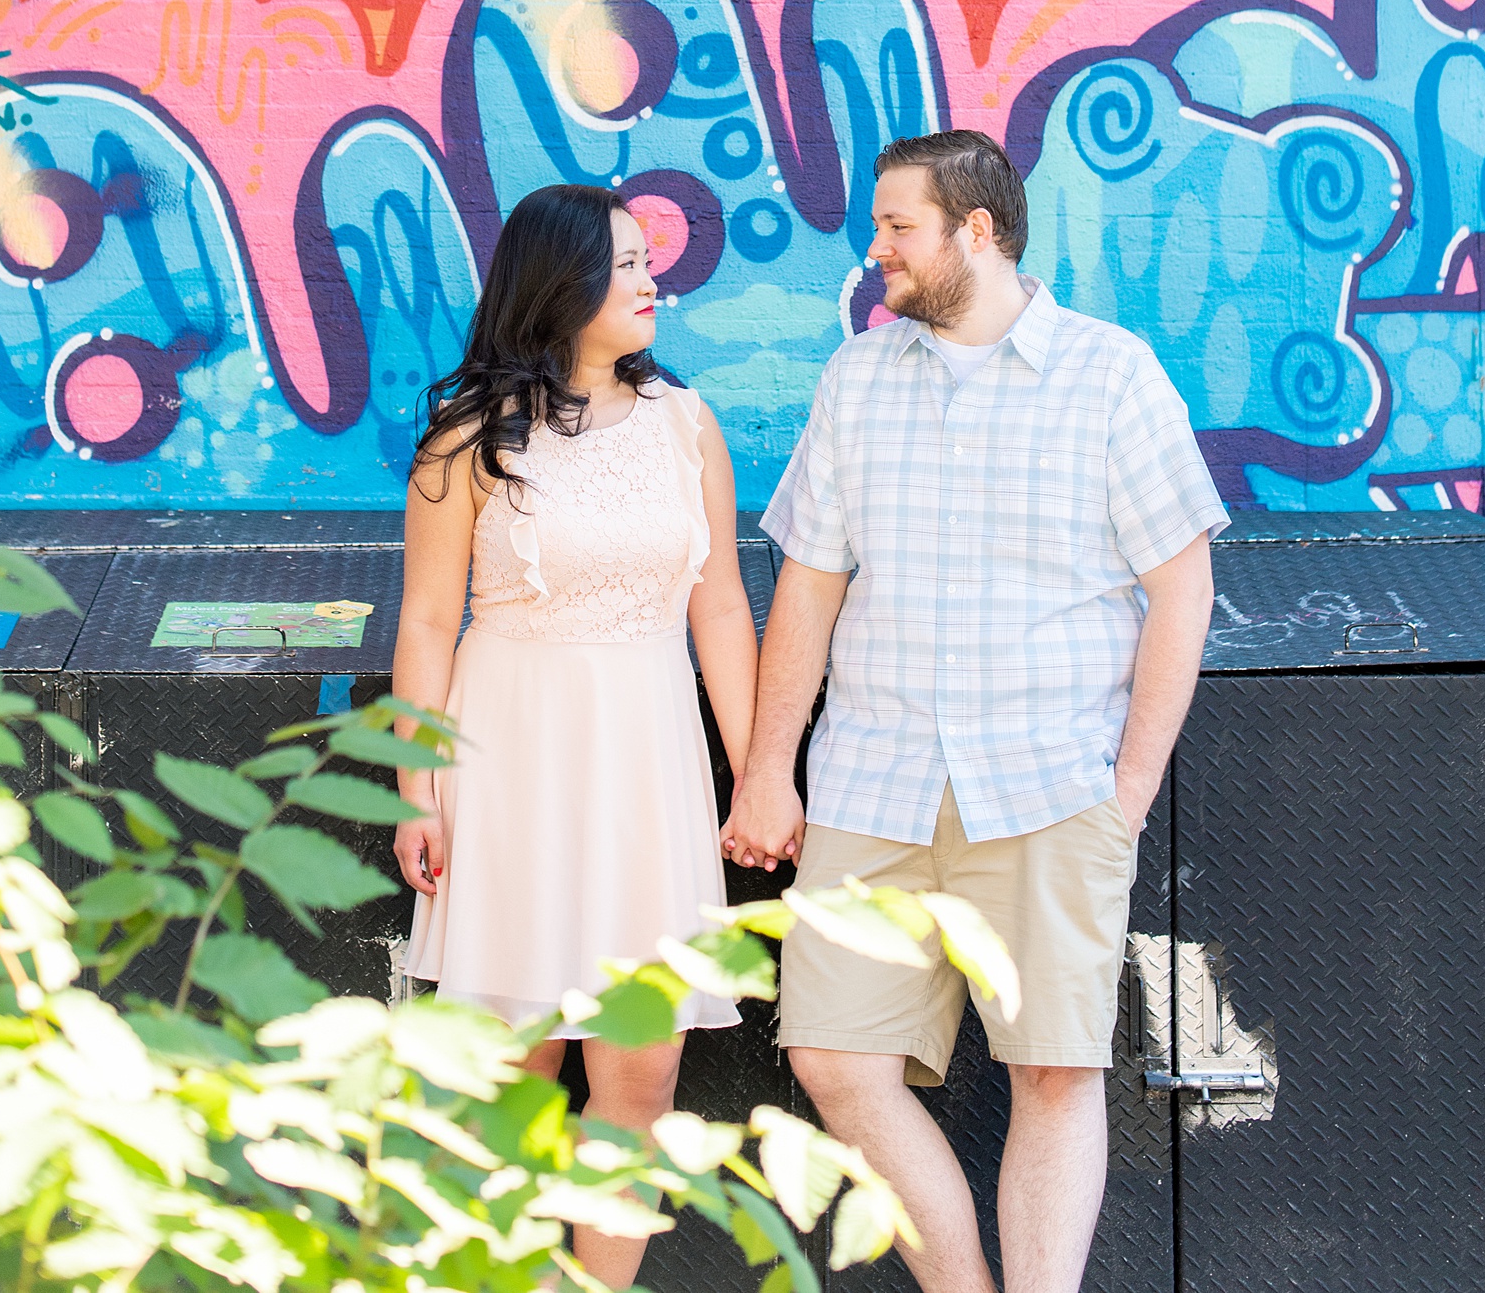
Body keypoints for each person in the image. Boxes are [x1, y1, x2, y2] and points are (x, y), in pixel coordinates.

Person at [722, 129, 1227, 1293]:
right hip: (870, 778)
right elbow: (808, 579)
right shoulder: (856, 377)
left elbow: (1180, 589)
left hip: (1048, 781)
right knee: (834, 1058)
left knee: (1053, 1069)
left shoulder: (1109, 375)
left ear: (976, 232)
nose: (875, 248)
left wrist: (1127, 794)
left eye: (897, 226)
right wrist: (767, 769)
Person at [393, 181, 760, 1292]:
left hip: (647, 763)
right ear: (560, 287)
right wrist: (418, 788)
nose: (654, 281)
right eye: (629, 264)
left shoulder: (686, 425)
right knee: (506, 1077)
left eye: (651, 262)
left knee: (638, 1081)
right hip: (507, 760)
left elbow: (721, 608)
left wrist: (756, 778)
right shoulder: (468, 439)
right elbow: (423, 618)